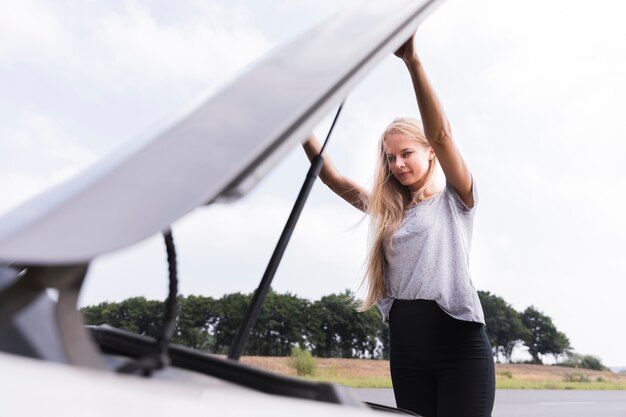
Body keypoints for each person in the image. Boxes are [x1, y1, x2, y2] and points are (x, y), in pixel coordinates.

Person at [302, 33, 495, 417]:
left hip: (460, 348)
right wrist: (298, 123)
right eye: (390, 158)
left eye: (406, 153)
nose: (398, 165)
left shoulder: (456, 200)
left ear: (429, 152)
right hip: (407, 351)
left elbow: (442, 134)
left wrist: (412, 60)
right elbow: (332, 178)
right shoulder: (388, 209)